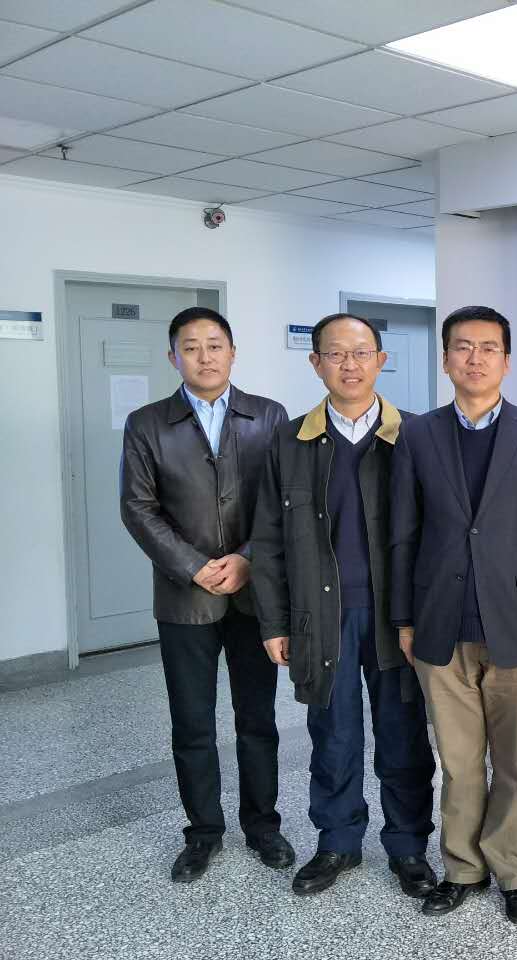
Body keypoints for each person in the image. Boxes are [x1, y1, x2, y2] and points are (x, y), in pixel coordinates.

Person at [390, 305, 517, 924]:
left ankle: (516, 874)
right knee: (459, 761)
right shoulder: (417, 434)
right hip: (439, 621)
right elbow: (403, 533)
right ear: (445, 360)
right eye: (463, 347)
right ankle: (462, 869)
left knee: (515, 763)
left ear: (506, 361)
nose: (475, 358)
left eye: (488, 348)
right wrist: (404, 618)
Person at [251, 313, 436, 898]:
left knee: (403, 735)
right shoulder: (289, 442)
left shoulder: (416, 436)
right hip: (320, 617)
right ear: (316, 363)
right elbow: (266, 541)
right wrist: (274, 622)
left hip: (396, 617)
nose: (349, 365)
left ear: (381, 360)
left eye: (360, 353)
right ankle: (337, 842)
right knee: (332, 735)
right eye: (335, 354)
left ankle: (408, 846)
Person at [121, 306, 293, 883]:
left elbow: (283, 501)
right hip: (184, 598)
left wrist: (247, 558)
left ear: (233, 352)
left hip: (254, 595)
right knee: (192, 721)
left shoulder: (268, 416)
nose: (204, 356)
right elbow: (138, 508)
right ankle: (202, 833)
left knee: (257, 717)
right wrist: (195, 568)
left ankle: (263, 826)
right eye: (190, 347)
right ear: (173, 357)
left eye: (214, 345)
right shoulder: (147, 423)